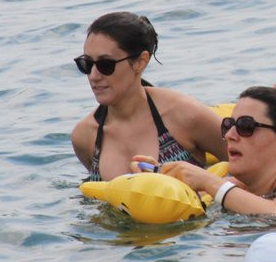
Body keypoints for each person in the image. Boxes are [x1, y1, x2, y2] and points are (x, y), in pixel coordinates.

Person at [71, 12, 226, 182]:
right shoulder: (85, 136)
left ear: (140, 62)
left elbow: (251, 167)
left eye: (105, 65)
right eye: (87, 64)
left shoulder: (184, 115)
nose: (93, 76)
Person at [145, 86, 276, 216]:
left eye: (245, 126)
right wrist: (160, 179)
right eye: (229, 124)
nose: (230, 135)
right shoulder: (237, 187)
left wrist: (207, 181)